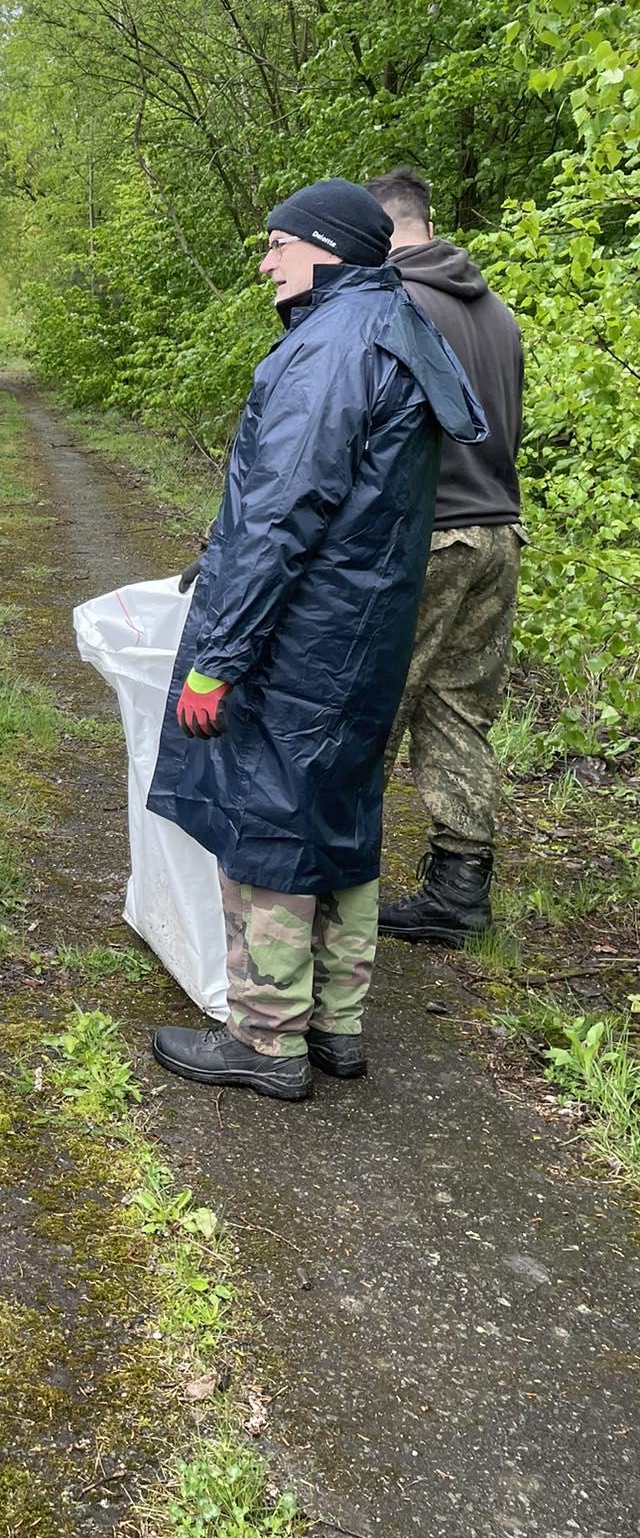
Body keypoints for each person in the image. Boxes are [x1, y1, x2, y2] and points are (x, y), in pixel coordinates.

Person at [148, 180, 486, 1100]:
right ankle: (337, 1025)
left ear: (326, 249)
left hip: (304, 633)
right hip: (366, 630)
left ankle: (265, 1042)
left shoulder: (332, 345)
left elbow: (278, 518)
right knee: (341, 809)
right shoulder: (398, 327)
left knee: (271, 818)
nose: (265, 262)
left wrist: (218, 656)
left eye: (277, 245)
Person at [365, 170, 525, 946]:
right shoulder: (498, 314)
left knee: (369, 705)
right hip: (498, 532)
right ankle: (460, 889)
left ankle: (331, 890)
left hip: (426, 535)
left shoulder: (394, 305)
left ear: (381, 229)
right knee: (458, 709)